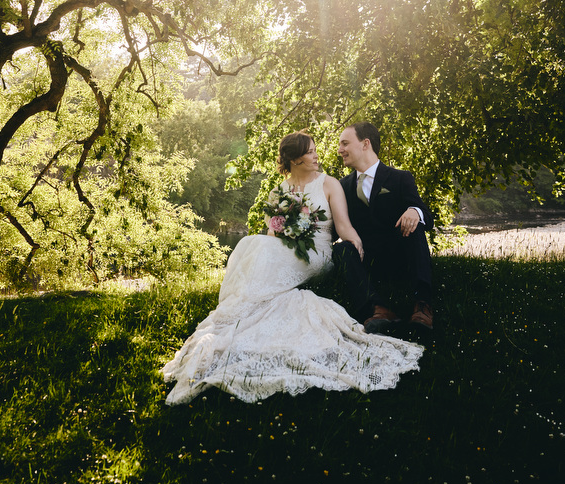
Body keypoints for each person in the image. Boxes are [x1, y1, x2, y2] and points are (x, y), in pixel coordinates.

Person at [162, 131, 424, 404]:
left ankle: (246, 303)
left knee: (258, 247)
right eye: (311, 152)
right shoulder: (279, 192)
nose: (317, 156)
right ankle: (239, 312)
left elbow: (344, 226)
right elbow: (273, 237)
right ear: (295, 159)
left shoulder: (329, 184)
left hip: (317, 255)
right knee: (253, 243)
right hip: (288, 251)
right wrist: (286, 232)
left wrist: (356, 244)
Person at [334, 122, 436, 333]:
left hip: (400, 257)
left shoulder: (400, 178)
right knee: (341, 248)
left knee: (415, 226)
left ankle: (422, 304)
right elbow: (334, 229)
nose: (340, 150)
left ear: (365, 144)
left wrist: (414, 211)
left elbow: (428, 216)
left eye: (345, 143)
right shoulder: (341, 186)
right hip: (366, 261)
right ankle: (377, 308)